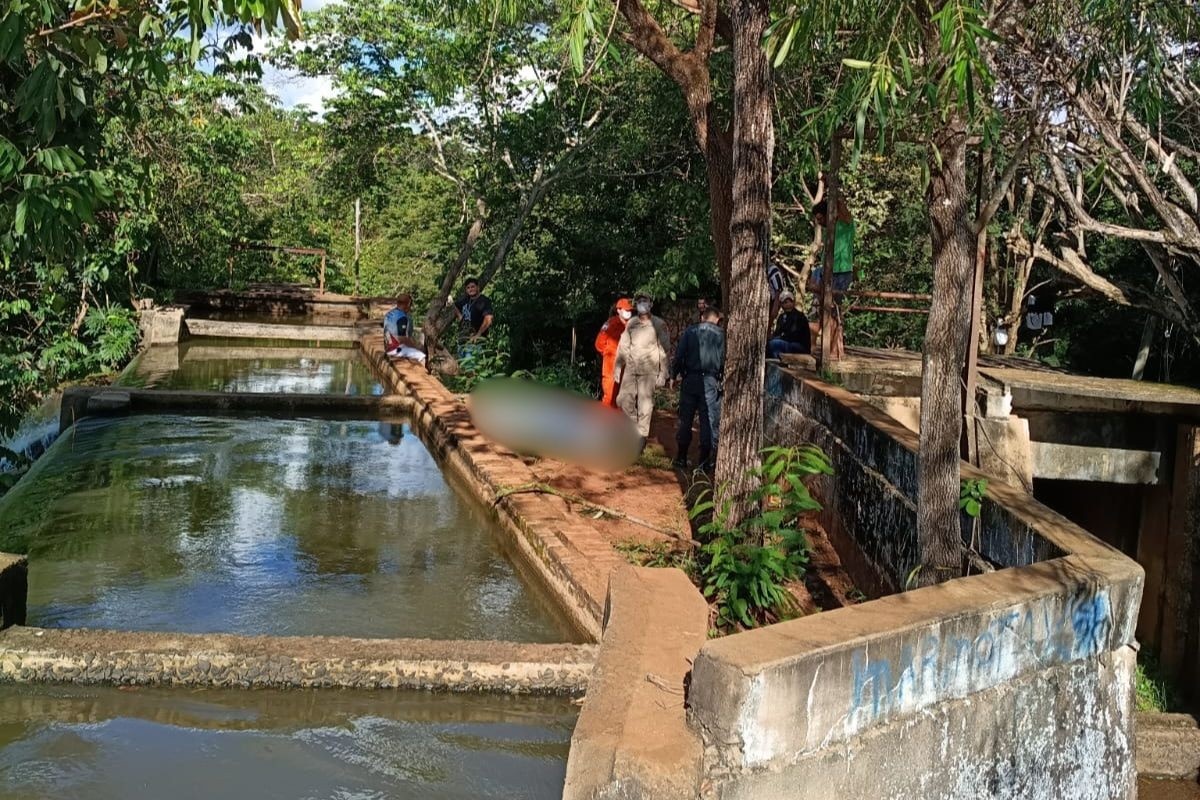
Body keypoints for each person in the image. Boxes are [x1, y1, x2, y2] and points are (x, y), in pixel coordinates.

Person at [671, 306, 725, 471]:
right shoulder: (721, 335)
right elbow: (724, 360)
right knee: (708, 420)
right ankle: (704, 463)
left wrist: (673, 375)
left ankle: (681, 458)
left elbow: (679, 355)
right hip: (710, 381)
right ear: (717, 319)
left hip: (690, 380)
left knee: (685, 418)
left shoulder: (690, 331)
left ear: (703, 317)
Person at [614, 293, 670, 451]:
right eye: (639, 301)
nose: (641, 304)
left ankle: (640, 437)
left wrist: (663, 373)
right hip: (631, 368)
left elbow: (664, 350)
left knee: (645, 405)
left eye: (644, 301)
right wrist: (618, 366)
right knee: (622, 400)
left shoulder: (658, 324)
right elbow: (623, 346)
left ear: (651, 304)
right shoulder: (631, 323)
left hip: (649, 370)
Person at [808, 197, 856, 293]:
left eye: (820, 218)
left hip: (842, 271)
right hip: (827, 270)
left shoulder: (845, 224)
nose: (819, 222)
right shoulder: (828, 231)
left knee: (838, 301)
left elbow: (841, 204)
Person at [594, 297, 633, 407]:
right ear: (619, 310)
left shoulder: (631, 326)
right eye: (626, 310)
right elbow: (599, 343)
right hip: (611, 366)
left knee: (623, 398)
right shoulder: (611, 324)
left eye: (630, 310)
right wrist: (609, 354)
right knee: (610, 397)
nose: (628, 313)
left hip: (626, 366)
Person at [383, 294, 427, 365]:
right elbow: (402, 339)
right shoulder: (403, 317)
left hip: (387, 346)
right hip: (395, 349)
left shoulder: (389, 313)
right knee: (422, 355)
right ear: (408, 304)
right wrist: (416, 346)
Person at [767, 290, 811, 359]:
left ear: (793, 302)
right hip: (787, 342)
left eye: (790, 301)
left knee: (774, 344)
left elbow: (794, 335)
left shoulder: (799, 316)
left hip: (799, 345)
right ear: (781, 304)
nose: (788, 304)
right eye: (785, 302)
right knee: (770, 344)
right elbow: (778, 332)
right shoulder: (781, 317)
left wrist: (780, 338)